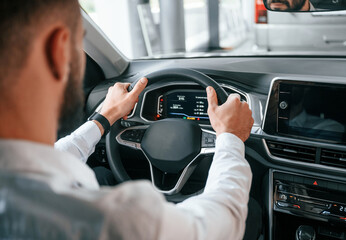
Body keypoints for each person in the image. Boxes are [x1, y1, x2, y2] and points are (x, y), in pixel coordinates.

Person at [0, 1, 255, 239]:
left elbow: (52, 158)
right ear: (58, 52)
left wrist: (105, 118)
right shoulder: (109, 220)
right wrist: (230, 137)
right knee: (252, 212)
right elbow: (221, 223)